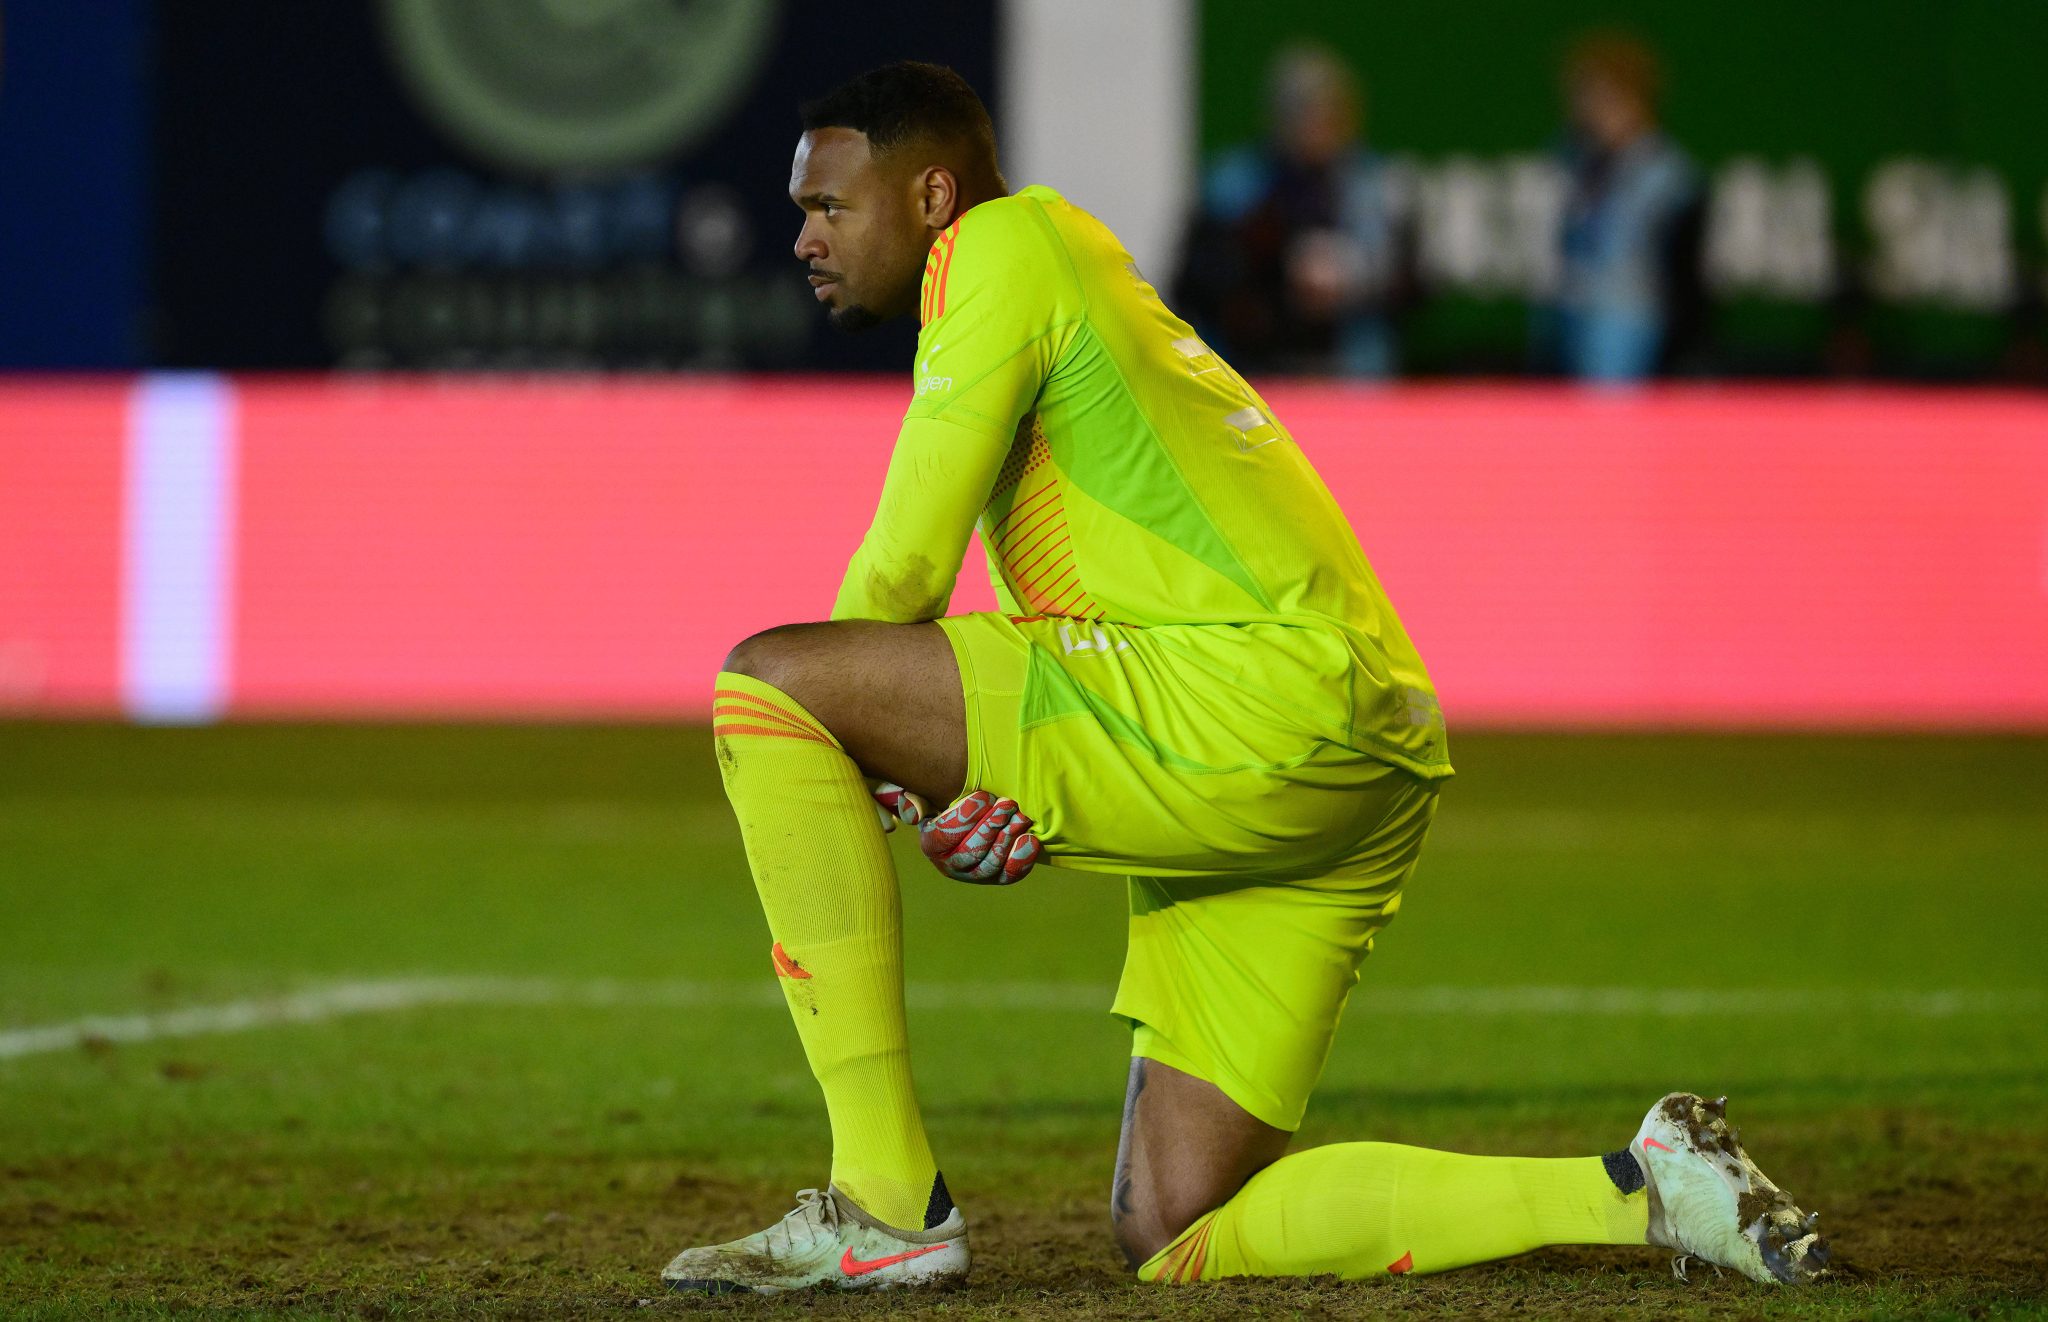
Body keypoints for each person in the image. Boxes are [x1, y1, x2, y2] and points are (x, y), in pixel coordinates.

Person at [661, 61, 1828, 1294]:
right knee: (1178, 1222)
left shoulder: (999, 248)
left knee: (773, 685)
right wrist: (945, 775)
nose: (802, 237)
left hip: (1247, 693)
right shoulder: (1075, 279)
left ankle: (883, 1201)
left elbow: (901, 569)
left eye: (829, 207)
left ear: (933, 194)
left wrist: (875, 750)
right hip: (1347, 740)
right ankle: (1649, 1188)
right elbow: (1054, 647)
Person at [1173, 44, 1412, 377]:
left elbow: (1414, 286)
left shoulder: (1377, 190)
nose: (1319, 124)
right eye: (1306, 110)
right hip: (1256, 374)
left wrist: (1355, 279)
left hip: (1356, 375)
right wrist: (1279, 270)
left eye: (1331, 111)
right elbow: (1193, 284)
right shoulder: (1235, 187)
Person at [1536, 34, 1704, 384]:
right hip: (1571, 310)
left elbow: (1683, 275)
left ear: (1635, 100)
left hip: (1630, 318)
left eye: (1603, 97)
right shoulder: (1575, 161)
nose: (1590, 109)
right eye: (1584, 96)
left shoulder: (1668, 175)